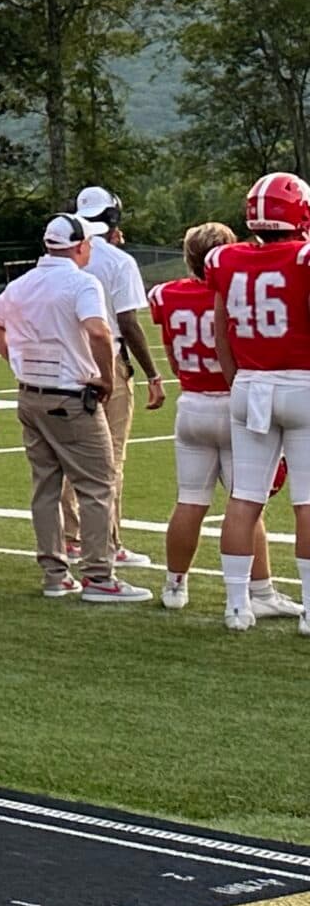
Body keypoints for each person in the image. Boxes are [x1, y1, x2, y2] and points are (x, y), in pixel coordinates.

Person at [0, 215, 147, 603]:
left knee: (46, 486)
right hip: (70, 396)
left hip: (31, 393)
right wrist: (106, 376)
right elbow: (99, 330)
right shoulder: (82, 282)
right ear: (79, 246)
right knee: (98, 484)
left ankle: (54, 572)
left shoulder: (23, 284)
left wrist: (18, 360)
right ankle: (99, 575)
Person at [148, 223, 295, 619]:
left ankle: (174, 584)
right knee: (247, 503)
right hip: (235, 402)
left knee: (190, 500)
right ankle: (260, 591)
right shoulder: (234, 291)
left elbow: (169, 346)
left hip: (192, 402)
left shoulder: (167, 295)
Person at [205, 172, 310, 635]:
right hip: (302, 384)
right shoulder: (304, 257)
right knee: (307, 503)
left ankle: (236, 606)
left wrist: (237, 383)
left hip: (249, 384)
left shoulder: (225, 259)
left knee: (244, 498)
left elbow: (221, 331)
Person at [66, 185, 166, 569]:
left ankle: (70, 539)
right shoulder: (118, 260)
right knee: (109, 459)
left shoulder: (64, 253)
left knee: (67, 456)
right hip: (107, 359)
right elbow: (128, 321)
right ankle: (107, 542)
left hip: (66, 359)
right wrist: (153, 373)